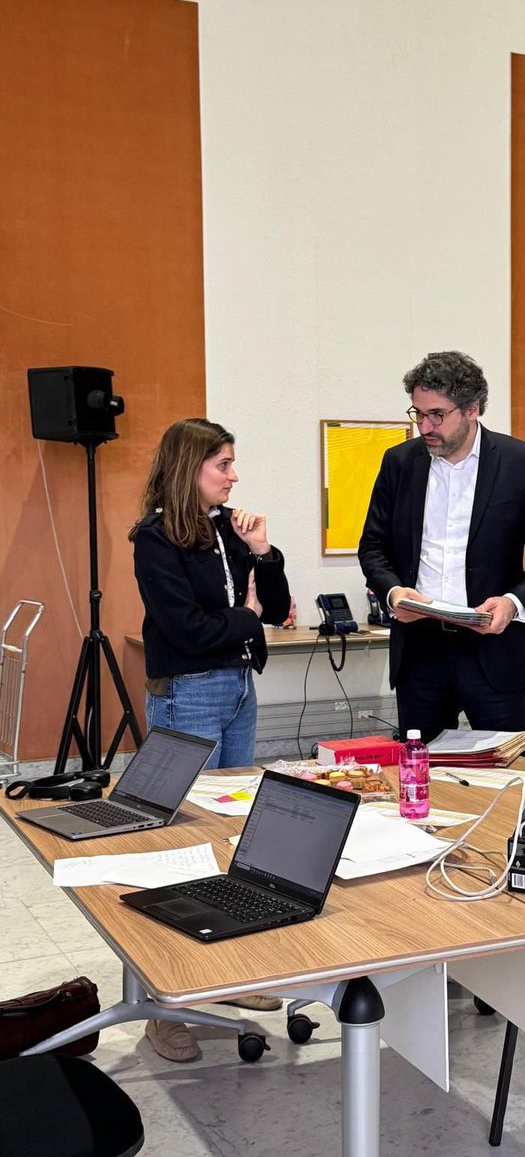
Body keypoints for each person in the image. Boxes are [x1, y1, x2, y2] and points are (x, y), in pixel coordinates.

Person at [130, 417, 291, 1060]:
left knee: (230, 834)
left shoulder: (228, 528)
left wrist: (265, 555)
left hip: (238, 687)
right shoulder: (155, 538)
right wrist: (244, 618)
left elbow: (276, 610)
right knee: (181, 841)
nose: (233, 474)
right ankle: (163, 1004)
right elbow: (189, 630)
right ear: (189, 466)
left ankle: (228, 972)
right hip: (190, 688)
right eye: (223, 463)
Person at [358, 351, 525, 755]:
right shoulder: (399, 463)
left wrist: (513, 602)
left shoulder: (519, 461)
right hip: (420, 651)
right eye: (417, 413)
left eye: (437, 414)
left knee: (513, 776)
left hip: (493, 649)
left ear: (472, 409)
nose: (424, 426)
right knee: (423, 779)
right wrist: (393, 592)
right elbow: (373, 546)